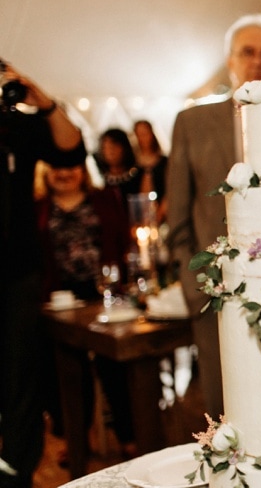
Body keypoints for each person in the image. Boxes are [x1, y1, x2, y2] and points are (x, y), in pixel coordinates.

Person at [166, 13, 261, 417]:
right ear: (230, 61)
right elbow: (178, 213)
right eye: (247, 52)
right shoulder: (193, 123)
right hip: (216, 290)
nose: (258, 61)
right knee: (226, 410)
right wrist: (193, 284)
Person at [0, 61, 85, 488]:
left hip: (17, 270)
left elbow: (71, 149)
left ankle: (16, 472)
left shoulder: (16, 125)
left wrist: (44, 102)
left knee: (19, 378)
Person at [35, 159, 139, 455]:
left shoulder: (104, 199)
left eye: (70, 166)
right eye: (57, 167)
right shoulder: (38, 207)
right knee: (65, 370)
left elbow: (122, 240)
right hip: (60, 298)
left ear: (82, 169)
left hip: (105, 293)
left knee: (115, 366)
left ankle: (128, 437)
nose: (64, 172)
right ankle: (77, 439)